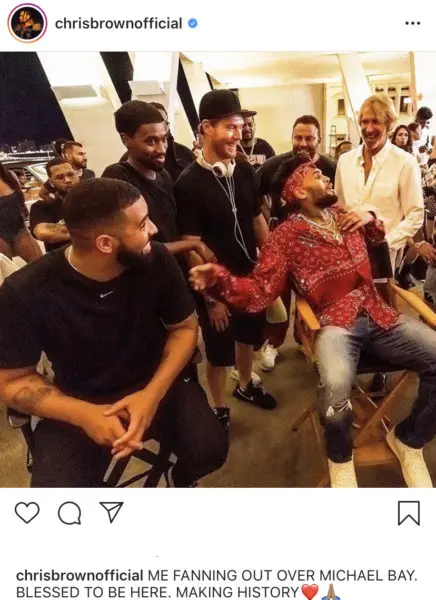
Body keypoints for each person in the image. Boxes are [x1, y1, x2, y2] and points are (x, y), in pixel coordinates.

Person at [190, 153, 436, 488]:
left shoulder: (345, 215)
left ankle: (409, 439)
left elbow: (378, 238)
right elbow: (260, 291)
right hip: (335, 324)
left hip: (379, 314)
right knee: (335, 388)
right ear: (298, 191)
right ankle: (340, 458)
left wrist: (370, 216)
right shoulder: (285, 237)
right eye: (316, 174)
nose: (325, 177)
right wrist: (219, 280)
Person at [0, 177, 228, 487]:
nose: (154, 230)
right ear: (105, 243)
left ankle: (180, 479)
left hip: (157, 382)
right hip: (79, 398)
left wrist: (150, 396)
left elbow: (185, 329)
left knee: (210, 449)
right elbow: (12, 381)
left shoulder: (156, 259)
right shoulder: (24, 291)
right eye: (142, 224)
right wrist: (84, 415)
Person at [175, 89, 277, 429]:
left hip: (249, 277)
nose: (239, 134)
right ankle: (219, 406)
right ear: (206, 128)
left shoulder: (244, 172)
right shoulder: (188, 183)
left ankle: (245, 385)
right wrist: (211, 299)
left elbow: (256, 220)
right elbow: (191, 245)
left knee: (247, 337)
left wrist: (271, 264)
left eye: (241, 127)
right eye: (230, 127)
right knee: (219, 353)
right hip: (216, 286)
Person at [256, 115, 337, 371]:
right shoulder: (274, 165)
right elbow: (253, 194)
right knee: (278, 297)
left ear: (319, 140)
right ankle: (273, 343)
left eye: (309, 138)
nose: (302, 143)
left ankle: (306, 342)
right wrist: (264, 222)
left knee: (313, 300)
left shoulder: (331, 167)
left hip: (316, 248)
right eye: (298, 137)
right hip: (281, 245)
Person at [102, 100, 215, 262]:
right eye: (151, 141)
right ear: (126, 140)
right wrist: (193, 245)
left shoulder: (164, 176)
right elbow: (133, 246)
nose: (162, 149)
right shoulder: (117, 178)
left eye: (164, 139)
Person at [30, 158, 79, 252]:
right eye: (60, 177)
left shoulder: (90, 198)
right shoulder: (42, 206)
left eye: (70, 174)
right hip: (62, 257)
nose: (67, 180)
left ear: (77, 174)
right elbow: (42, 232)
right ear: (51, 182)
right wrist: (88, 232)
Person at [0, 161, 42, 263]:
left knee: (39, 264)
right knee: (6, 270)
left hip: (19, 229)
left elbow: (20, 202)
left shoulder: (9, 176)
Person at [149, 102, 196, 182]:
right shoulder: (136, 159)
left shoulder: (184, 153)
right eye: (155, 123)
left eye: (164, 123)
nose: (160, 127)